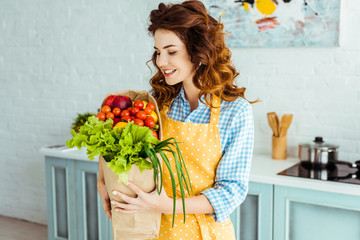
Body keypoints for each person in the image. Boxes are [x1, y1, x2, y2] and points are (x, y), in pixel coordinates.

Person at [97, 0, 255, 239]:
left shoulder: (235, 112)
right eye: (158, 52)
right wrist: (101, 180)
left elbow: (231, 191)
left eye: (171, 52)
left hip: (205, 233)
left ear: (198, 51)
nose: (161, 62)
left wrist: (164, 205)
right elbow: (120, 142)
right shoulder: (159, 105)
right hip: (152, 228)